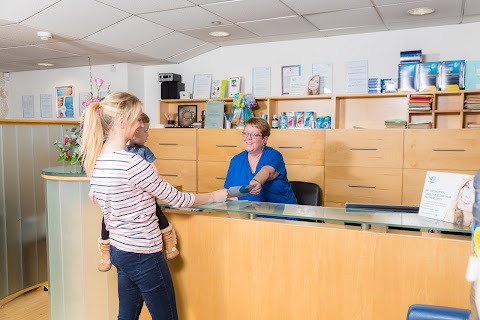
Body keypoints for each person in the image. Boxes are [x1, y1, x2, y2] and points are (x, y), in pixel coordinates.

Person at [80, 91, 228, 320]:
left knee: (126, 316)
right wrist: (213, 196)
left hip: (120, 250)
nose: (141, 124)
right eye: (138, 118)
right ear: (122, 121)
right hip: (143, 254)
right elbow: (178, 199)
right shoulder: (133, 164)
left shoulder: (96, 161)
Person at [96, 112, 181, 273]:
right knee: (106, 220)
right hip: (129, 233)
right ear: (135, 131)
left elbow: (154, 173)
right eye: (145, 131)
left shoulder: (143, 152)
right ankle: (105, 252)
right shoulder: (115, 152)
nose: (147, 135)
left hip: (141, 202)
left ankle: (170, 242)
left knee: (157, 213)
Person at [224, 117, 297, 204]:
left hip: (279, 214)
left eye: (254, 135)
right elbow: (231, 194)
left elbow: (267, 171)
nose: (248, 138)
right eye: (245, 133)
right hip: (247, 213)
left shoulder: (274, 155)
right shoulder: (236, 160)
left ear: (264, 139)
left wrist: (256, 181)